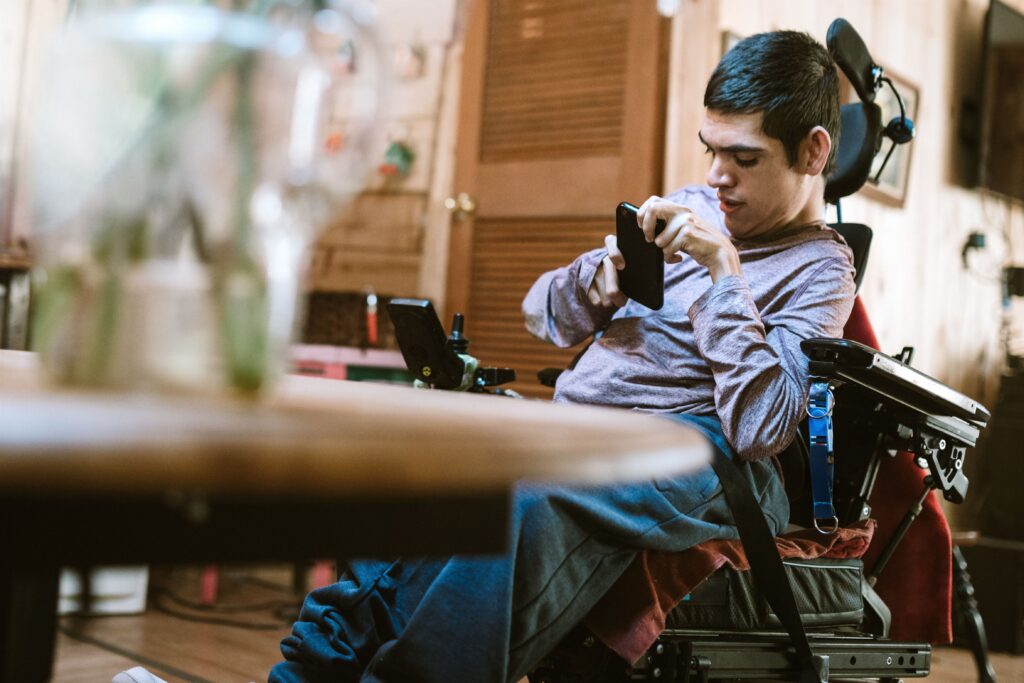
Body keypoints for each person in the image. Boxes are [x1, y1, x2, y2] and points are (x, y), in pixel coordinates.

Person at [268, 29, 854, 683]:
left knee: (525, 497)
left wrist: (722, 273)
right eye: (710, 149)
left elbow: (762, 427)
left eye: (743, 157)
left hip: (702, 449)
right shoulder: (689, 205)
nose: (716, 176)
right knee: (431, 462)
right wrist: (595, 283)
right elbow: (540, 312)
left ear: (812, 150)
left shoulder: (821, 268)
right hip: (590, 420)